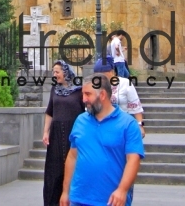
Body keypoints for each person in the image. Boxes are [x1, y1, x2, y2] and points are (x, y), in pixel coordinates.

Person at [60, 74, 144, 206]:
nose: (83, 99)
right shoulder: (80, 120)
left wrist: (122, 190)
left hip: (112, 201)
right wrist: (65, 192)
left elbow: (133, 160)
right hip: (78, 199)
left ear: (103, 95)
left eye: (88, 94)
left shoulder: (128, 124)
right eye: (83, 94)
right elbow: (72, 156)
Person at [43, 60, 85, 206]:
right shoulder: (54, 90)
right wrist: (45, 132)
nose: (55, 75)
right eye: (53, 72)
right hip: (55, 135)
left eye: (57, 72)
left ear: (66, 72)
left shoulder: (79, 91)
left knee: (72, 166)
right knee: (54, 171)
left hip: (72, 133)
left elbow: (85, 113)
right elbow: (50, 111)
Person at [93, 56, 145, 139]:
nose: (100, 78)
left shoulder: (125, 83)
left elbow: (136, 106)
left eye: (103, 74)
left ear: (112, 72)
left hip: (123, 125)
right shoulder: (95, 86)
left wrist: (140, 125)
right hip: (101, 126)